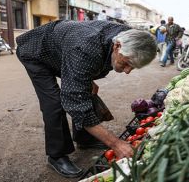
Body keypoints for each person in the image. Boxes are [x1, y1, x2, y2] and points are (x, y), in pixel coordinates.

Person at [15, 20, 157, 178]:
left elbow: (82, 65)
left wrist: (87, 80)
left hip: (64, 50)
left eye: (133, 67)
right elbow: (75, 102)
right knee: (54, 103)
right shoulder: (86, 46)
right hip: (36, 52)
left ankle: (84, 139)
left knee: (85, 90)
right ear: (117, 46)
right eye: (127, 63)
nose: (128, 71)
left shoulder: (130, 37)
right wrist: (115, 143)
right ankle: (57, 155)